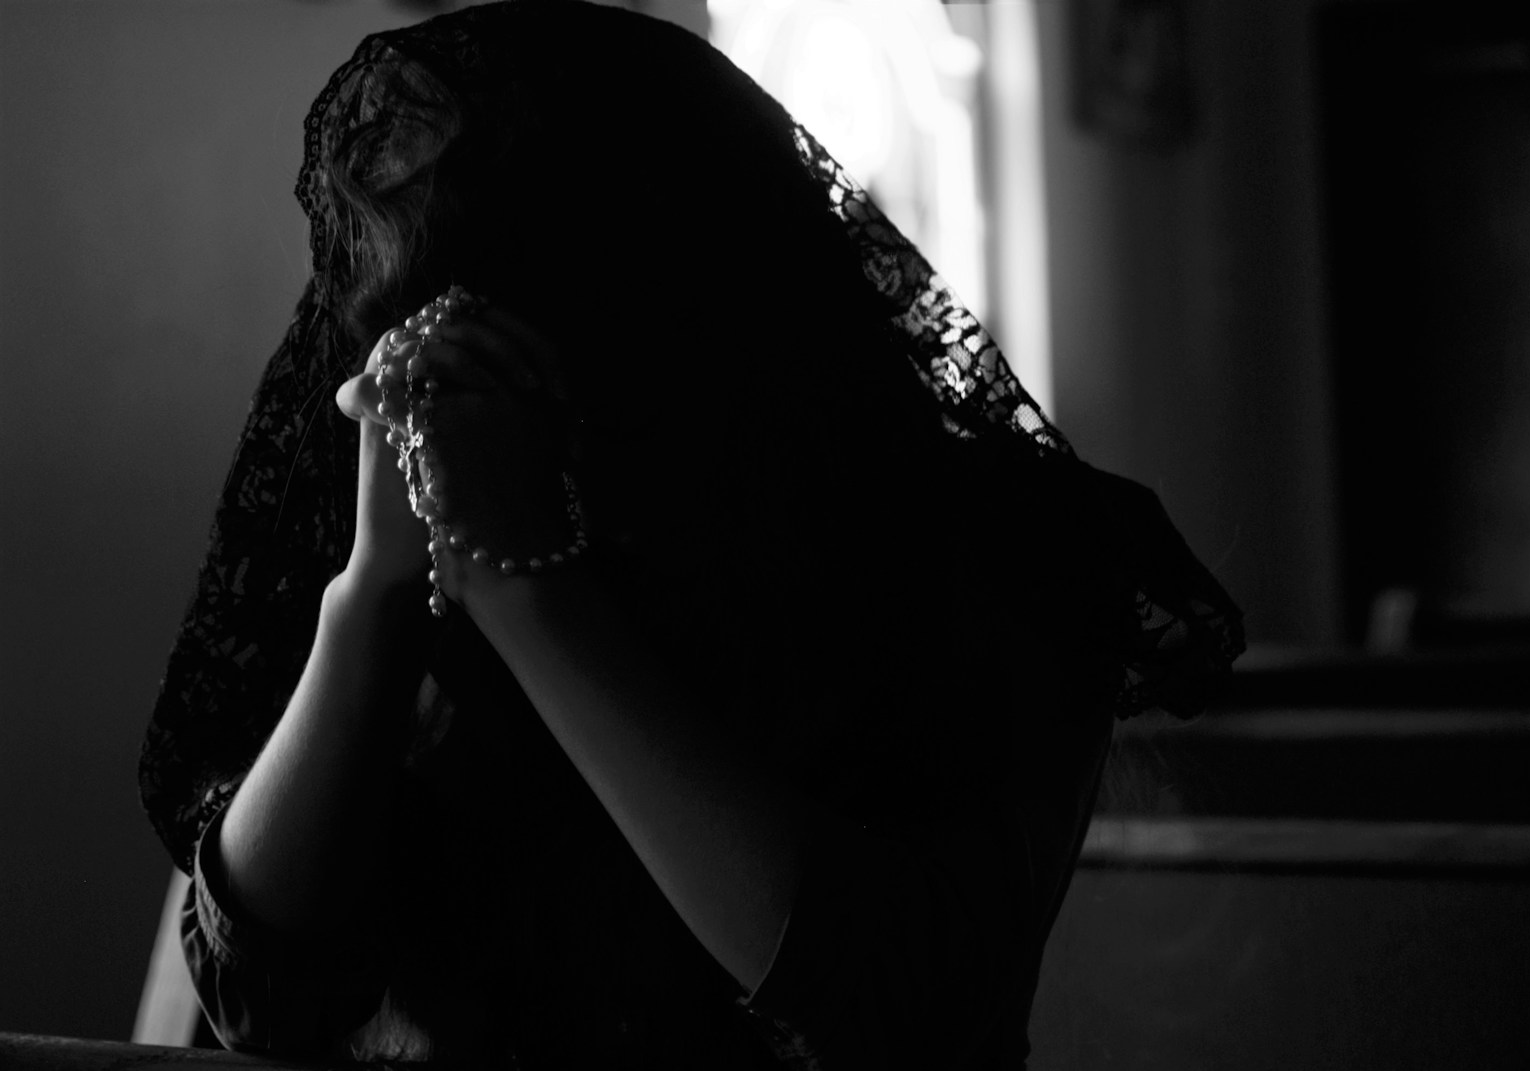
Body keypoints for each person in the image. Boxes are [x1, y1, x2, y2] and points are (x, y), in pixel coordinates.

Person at [138, 2, 1244, 1067]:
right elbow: (255, 1003)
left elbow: (891, 1017)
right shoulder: (399, 550)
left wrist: (533, 598)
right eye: (398, 319)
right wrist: (373, 594)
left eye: (498, 317)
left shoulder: (1005, 550)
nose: (430, 378)